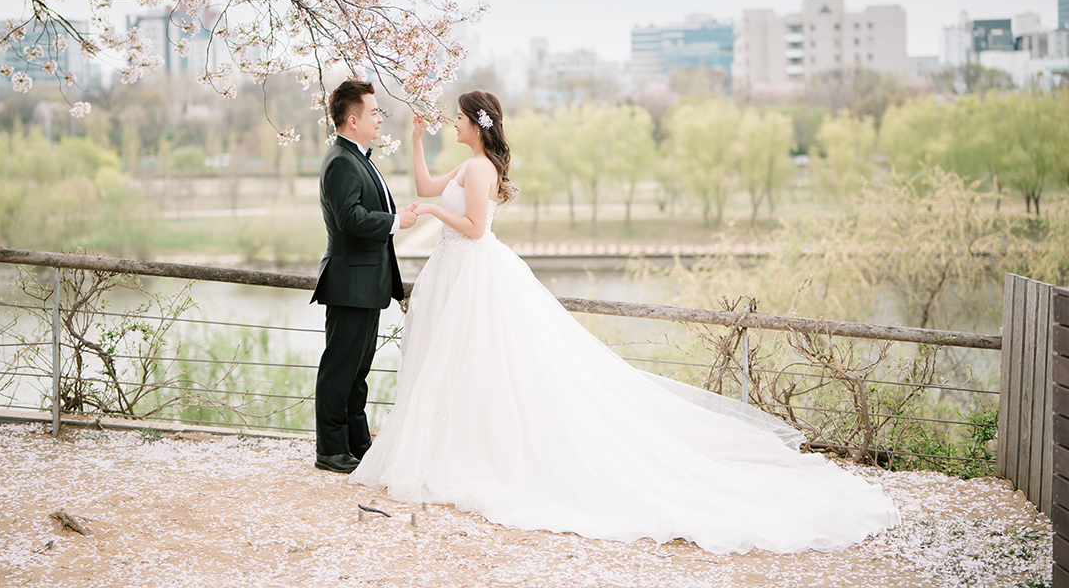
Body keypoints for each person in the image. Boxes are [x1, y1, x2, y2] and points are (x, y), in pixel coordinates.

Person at [351, 90, 900, 555]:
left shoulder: (479, 167)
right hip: (458, 272)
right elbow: (424, 187)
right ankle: (458, 446)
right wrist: (419, 142)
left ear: (478, 125)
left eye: (459, 119)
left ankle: (474, 453)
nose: (455, 124)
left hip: (472, 269)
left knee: (483, 363)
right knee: (461, 367)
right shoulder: (468, 164)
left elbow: (472, 227)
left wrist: (432, 214)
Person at [310, 80, 417, 474]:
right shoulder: (341, 160)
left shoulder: (358, 157)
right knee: (340, 369)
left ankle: (358, 444)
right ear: (352, 120)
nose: (379, 118)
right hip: (349, 283)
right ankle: (331, 449)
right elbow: (349, 219)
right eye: (373, 112)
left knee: (358, 371)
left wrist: (393, 217)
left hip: (365, 284)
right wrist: (395, 221)